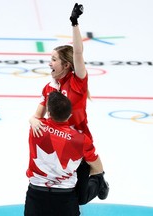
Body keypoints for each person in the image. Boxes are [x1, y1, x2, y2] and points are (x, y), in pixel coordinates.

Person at [29, 3, 109, 205]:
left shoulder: (77, 83)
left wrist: (74, 23)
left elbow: (78, 54)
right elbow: (36, 115)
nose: (49, 63)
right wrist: (33, 120)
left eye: (54, 60)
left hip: (79, 143)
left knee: (80, 198)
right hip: (57, 141)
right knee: (61, 189)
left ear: (66, 65)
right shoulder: (49, 87)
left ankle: (98, 181)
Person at [24, 91, 104, 216]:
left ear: (49, 113)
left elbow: (36, 116)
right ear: (69, 115)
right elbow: (98, 168)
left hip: (36, 196)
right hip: (65, 198)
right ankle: (99, 185)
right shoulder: (81, 139)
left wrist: (32, 119)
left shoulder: (36, 128)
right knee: (87, 167)